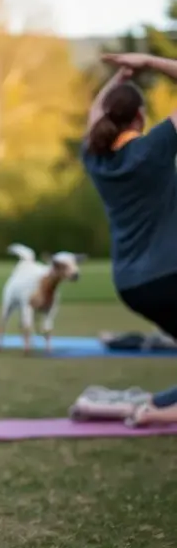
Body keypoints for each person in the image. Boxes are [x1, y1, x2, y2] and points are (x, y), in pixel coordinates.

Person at [80, 52, 177, 427]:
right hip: (168, 275)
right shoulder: (154, 149)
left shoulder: (94, 157)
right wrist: (148, 63)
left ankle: (116, 406)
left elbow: (94, 113)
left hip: (131, 284)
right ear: (140, 117)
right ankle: (154, 414)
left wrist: (116, 80)